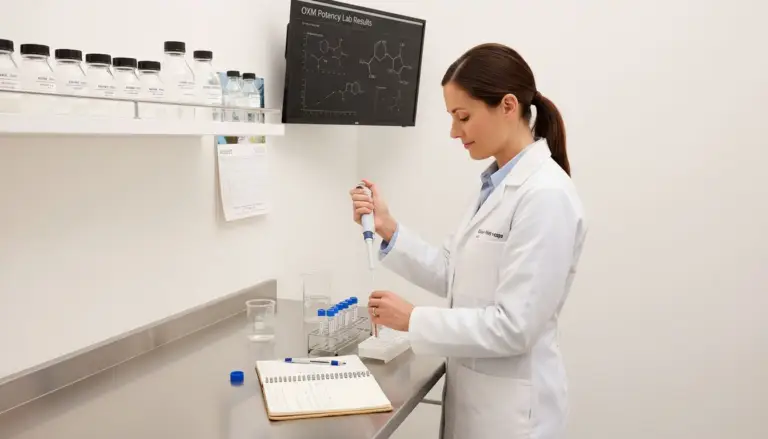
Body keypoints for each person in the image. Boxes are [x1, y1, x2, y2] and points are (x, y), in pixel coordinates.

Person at [350, 43, 587, 439]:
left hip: (513, 418)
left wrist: (413, 319)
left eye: (463, 117)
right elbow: (454, 272)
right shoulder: (496, 185)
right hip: (478, 403)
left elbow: (515, 327)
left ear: (508, 106)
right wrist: (388, 228)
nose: (454, 131)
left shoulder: (545, 195)